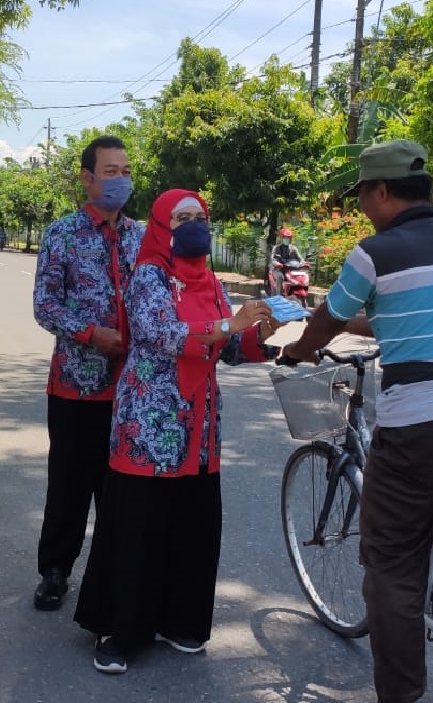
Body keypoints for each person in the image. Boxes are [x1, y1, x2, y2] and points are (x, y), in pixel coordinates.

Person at [280, 139, 433, 703]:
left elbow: (326, 319)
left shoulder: (374, 253)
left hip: (422, 431)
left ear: (383, 191)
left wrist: (299, 350)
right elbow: (409, 314)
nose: (361, 204)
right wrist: (359, 326)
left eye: (363, 193)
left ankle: (400, 693)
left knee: (391, 561)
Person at [74, 189, 280, 675]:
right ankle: (118, 631)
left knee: (192, 524)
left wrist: (260, 333)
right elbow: (158, 333)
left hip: (200, 426)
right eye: (182, 217)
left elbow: (227, 349)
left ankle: (178, 620)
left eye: (200, 217)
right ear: (162, 226)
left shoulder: (209, 278)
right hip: (150, 423)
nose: (193, 225)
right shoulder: (149, 274)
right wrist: (230, 323)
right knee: (139, 526)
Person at [31, 135, 146, 611]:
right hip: (77, 385)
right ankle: (55, 570)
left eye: (125, 170)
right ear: (87, 178)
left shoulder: (142, 236)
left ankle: (113, 575)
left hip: (133, 387)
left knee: (120, 490)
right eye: (110, 171)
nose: (119, 179)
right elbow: (45, 305)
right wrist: (89, 333)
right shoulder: (63, 234)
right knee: (70, 485)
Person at [269, 227, 303, 296]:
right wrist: (276, 263)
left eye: (288, 238)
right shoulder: (277, 248)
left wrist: (303, 263)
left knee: (301, 277)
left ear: (290, 239)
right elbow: (273, 259)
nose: (286, 239)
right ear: (281, 238)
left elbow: (300, 258)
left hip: (291, 270)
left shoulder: (293, 248)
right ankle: (278, 296)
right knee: (280, 277)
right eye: (285, 238)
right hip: (278, 269)